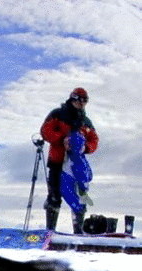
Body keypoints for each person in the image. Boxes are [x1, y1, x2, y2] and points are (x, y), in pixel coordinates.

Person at [40, 87, 99, 233]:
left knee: (80, 196)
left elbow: (94, 140)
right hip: (57, 162)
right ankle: (50, 230)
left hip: (76, 165)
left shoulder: (86, 121)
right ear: (73, 98)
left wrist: (84, 148)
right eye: (80, 99)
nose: (82, 103)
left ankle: (78, 231)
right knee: (54, 195)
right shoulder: (57, 114)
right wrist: (62, 139)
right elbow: (45, 131)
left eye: (85, 100)